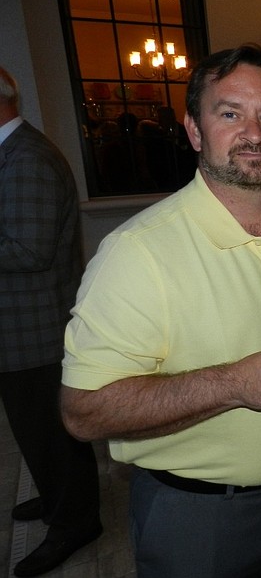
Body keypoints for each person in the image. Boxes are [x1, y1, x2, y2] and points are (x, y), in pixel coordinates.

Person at [60, 44, 261, 578]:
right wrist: (236, 383)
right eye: (230, 114)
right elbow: (83, 411)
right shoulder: (136, 252)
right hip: (196, 518)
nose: (254, 133)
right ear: (194, 131)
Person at [0, 66, 102, 577]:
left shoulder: (27, 158)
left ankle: (75, 523)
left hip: (34, 331)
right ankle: (55, 497)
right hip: (22, 328)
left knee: (52, 434)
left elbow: (29, 250)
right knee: (38, 433)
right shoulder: (14, 154)